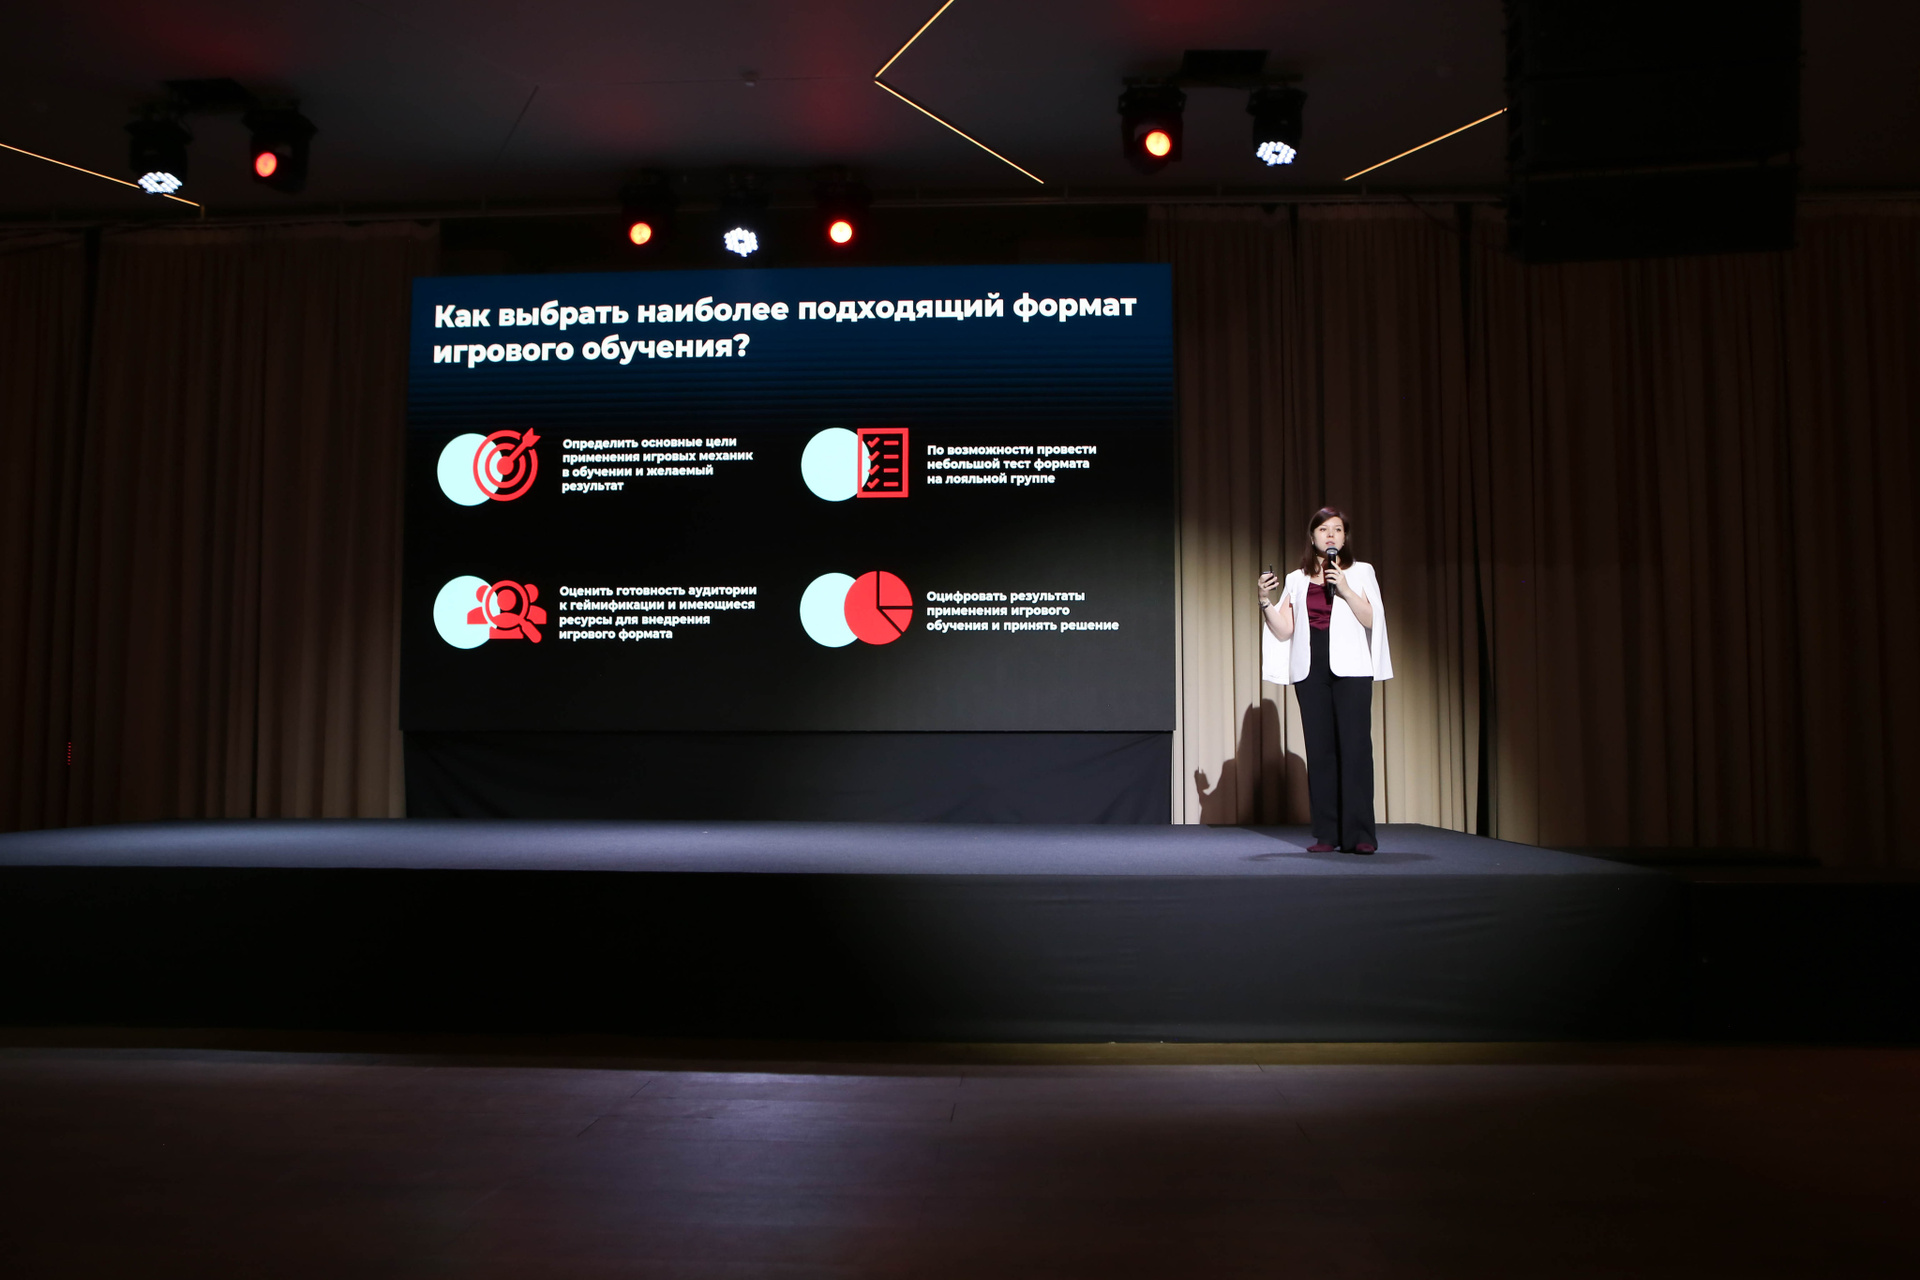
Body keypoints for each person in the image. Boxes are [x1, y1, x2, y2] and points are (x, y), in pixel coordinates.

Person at [1257, 507, 1393, 853]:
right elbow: (1284, 629)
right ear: (1312, 536)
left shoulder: (1361, 572)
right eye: (1323, 529)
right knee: (1321, 752)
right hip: (1311, 669)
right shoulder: (1296, 579)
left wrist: (1344, 588)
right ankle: (1328, 834)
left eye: (1337, 529)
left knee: (1355, 750)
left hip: (1352, 670)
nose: (1330, 535)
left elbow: (1372, 620)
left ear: (1344, 538)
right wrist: (1264, 601)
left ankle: (1360, 835)